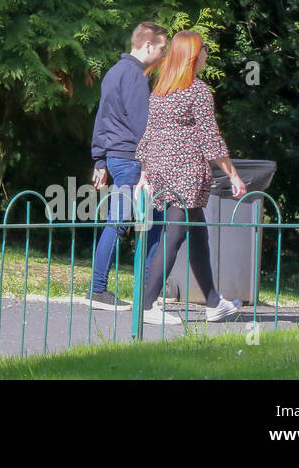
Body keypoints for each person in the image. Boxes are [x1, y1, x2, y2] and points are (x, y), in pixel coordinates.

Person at [135, 29, 246, 325]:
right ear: (193, 55)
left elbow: (150, 135)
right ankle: (147, 305)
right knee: (174, 236)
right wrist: (233, 175)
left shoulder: (160, 91)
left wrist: (145, 174)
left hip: (162, 170)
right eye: (204, 49)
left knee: (198, 232)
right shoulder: (197, 91)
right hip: (186, 174)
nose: (207, 54)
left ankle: (213, 303)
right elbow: (210, 139)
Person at [87, 22, 167, 309]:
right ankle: (137, 292)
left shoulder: (113, 72)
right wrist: (154, 160)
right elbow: (143, 125)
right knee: (146, 222)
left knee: (124, 221)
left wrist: (99, 158)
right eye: (161, 47)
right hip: (133, 160)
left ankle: (116, 289)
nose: (163, 53)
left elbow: (102, 118)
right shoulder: (134, 75)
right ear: (147, 45)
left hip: (116, 157)